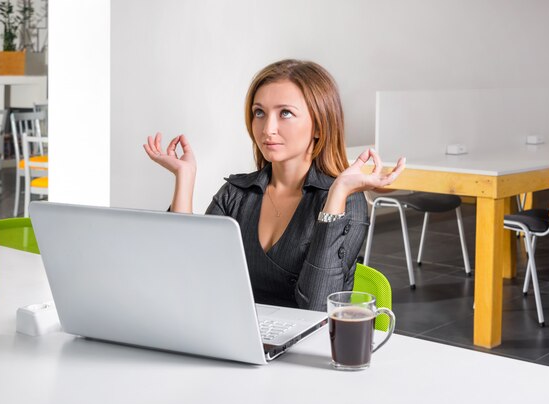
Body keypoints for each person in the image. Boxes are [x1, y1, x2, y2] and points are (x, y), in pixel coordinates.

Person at [144, 59, 405, 311]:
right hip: (237, 336)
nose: (267, 128)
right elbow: (185, 273)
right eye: (260, 113)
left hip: (306, 348)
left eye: (286, 113)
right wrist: (185, 177)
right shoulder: (236, 194)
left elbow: (315, 309)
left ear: (319, 126)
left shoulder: (346, 201)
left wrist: (336, 193)